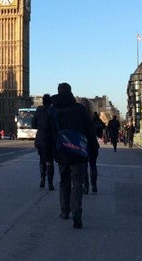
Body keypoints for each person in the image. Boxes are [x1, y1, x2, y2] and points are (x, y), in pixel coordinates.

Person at [49, 82, 96, 229]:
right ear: (70, 92)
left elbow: (49, 134)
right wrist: (93, 149)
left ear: (58, 91)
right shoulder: (80, 109)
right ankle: (77, 211)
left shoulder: (53, 110)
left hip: (61, 151)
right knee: (77, 182)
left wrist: (48, 155)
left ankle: (64, 210)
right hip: (78, 151)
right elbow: (90, 131)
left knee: (64, 181)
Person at [32, 94, 55, 190]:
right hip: (50, 139)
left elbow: (33, 125)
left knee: (42, 160)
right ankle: (50, 182)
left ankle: (42, 179)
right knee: (50, 160)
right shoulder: (53, 111)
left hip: (40, 138)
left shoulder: (38, 111)